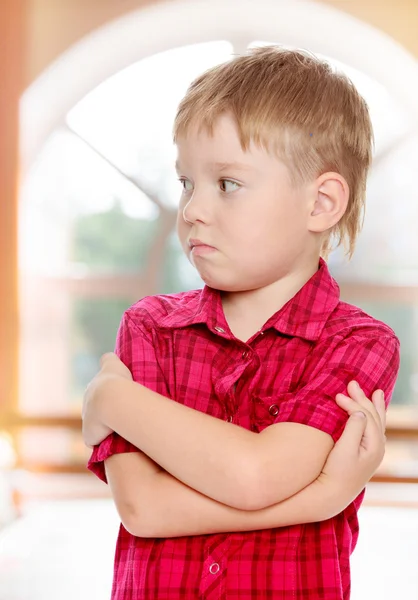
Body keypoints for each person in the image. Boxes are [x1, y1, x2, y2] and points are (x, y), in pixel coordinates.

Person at [82, 46, 400, 600]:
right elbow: (142, 508)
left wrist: (111, 402)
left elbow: (257, 475)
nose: (192, 210)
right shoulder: (150, 327)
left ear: (321, 203)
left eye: (227, 184)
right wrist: (322, 495)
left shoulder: (360, 344)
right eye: (186, 182)